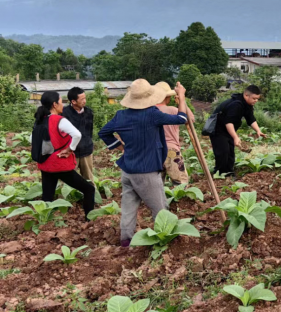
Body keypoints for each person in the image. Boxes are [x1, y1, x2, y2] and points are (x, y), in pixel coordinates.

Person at [98, 79, 188, 247]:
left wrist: (121, 147)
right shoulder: (152, 114)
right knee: (160, 208)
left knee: (128, 208)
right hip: (146, 172)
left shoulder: (121, 116)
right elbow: (182, 118)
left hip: (128, 170)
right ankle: (165, 241)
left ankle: (126, 241)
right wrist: (181, 97)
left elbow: (103, 133)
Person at [33, 92, 95, 220]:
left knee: (47, 196)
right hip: (60, 164)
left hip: (45, 164)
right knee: (89, 189)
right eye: (61, 102)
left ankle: (44, 222)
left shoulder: (40, 119)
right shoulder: (59, 120)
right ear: (55, 105)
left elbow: (32, 139)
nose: (63, 105)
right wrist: (70, 149)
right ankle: (90, 220)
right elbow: (77, 135)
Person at [209, 85, 266, 176]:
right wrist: (235, 137)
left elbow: (250, 119)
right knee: (223, 152)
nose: (256, 101)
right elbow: (229, 122)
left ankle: (229, 173)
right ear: (246, 95)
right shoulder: (236, 104)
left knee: (230, 153)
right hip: (218, 130)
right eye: (254, 98)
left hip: (228, 131)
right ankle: (219, 174)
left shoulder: (247, 104)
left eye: (257, 99)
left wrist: (258, 130)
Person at [155, 82, 195, 185]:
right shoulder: (172, 110)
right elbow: (191, 119)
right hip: (171, 150)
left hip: (153, 151)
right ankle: (181, 200)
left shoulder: (149, 112)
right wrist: (181, 102)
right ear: (167, 97)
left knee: (156, 185)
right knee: (180, 182)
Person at [62, 87, 95, 183]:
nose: (84, 101)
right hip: (70, 152)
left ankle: (92, 197)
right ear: (73, 101)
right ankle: (68, 198)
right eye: (82, 99)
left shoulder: (89, 112)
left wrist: (88, 143)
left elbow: (90, 131)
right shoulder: (64, 113)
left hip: (86, 150)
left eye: (85, 98)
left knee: (89, 178)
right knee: (68, 180)